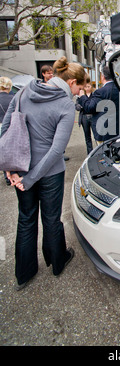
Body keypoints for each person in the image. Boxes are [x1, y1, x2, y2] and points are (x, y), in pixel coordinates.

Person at [1, 57, 86, 290]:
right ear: (70, 82)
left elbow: (5, 128)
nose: (79, 92)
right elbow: (57, 150)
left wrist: (9, 167)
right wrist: (30, 179)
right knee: (50, 219)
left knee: (26, 219)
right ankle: (57, 261)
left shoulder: (23, 92)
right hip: (49, 173)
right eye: (79, 87)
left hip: (21, 168)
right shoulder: (66, 105)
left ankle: (24, 274)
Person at [77, 65, 120, 144]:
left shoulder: (100, 92)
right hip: (119, 130)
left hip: (104, 132)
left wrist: (82, 97)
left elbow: (89, 108)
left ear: (102, 77)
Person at [0, 77, 14, 185]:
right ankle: (12, 174)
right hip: (12, 127)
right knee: (12, 152)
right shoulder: (14, 98)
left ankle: (6, 175)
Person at [76, 76, 94, 154]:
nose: (87, 88)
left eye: (88, 86)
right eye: (85, 87)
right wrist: (80, 106)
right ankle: (89, 153)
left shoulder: (94, 95)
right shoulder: (81, 96)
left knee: (97, 136)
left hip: (93, 116)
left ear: (91, 87)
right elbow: (76, 105)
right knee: (87, 137)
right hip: (84, 117)